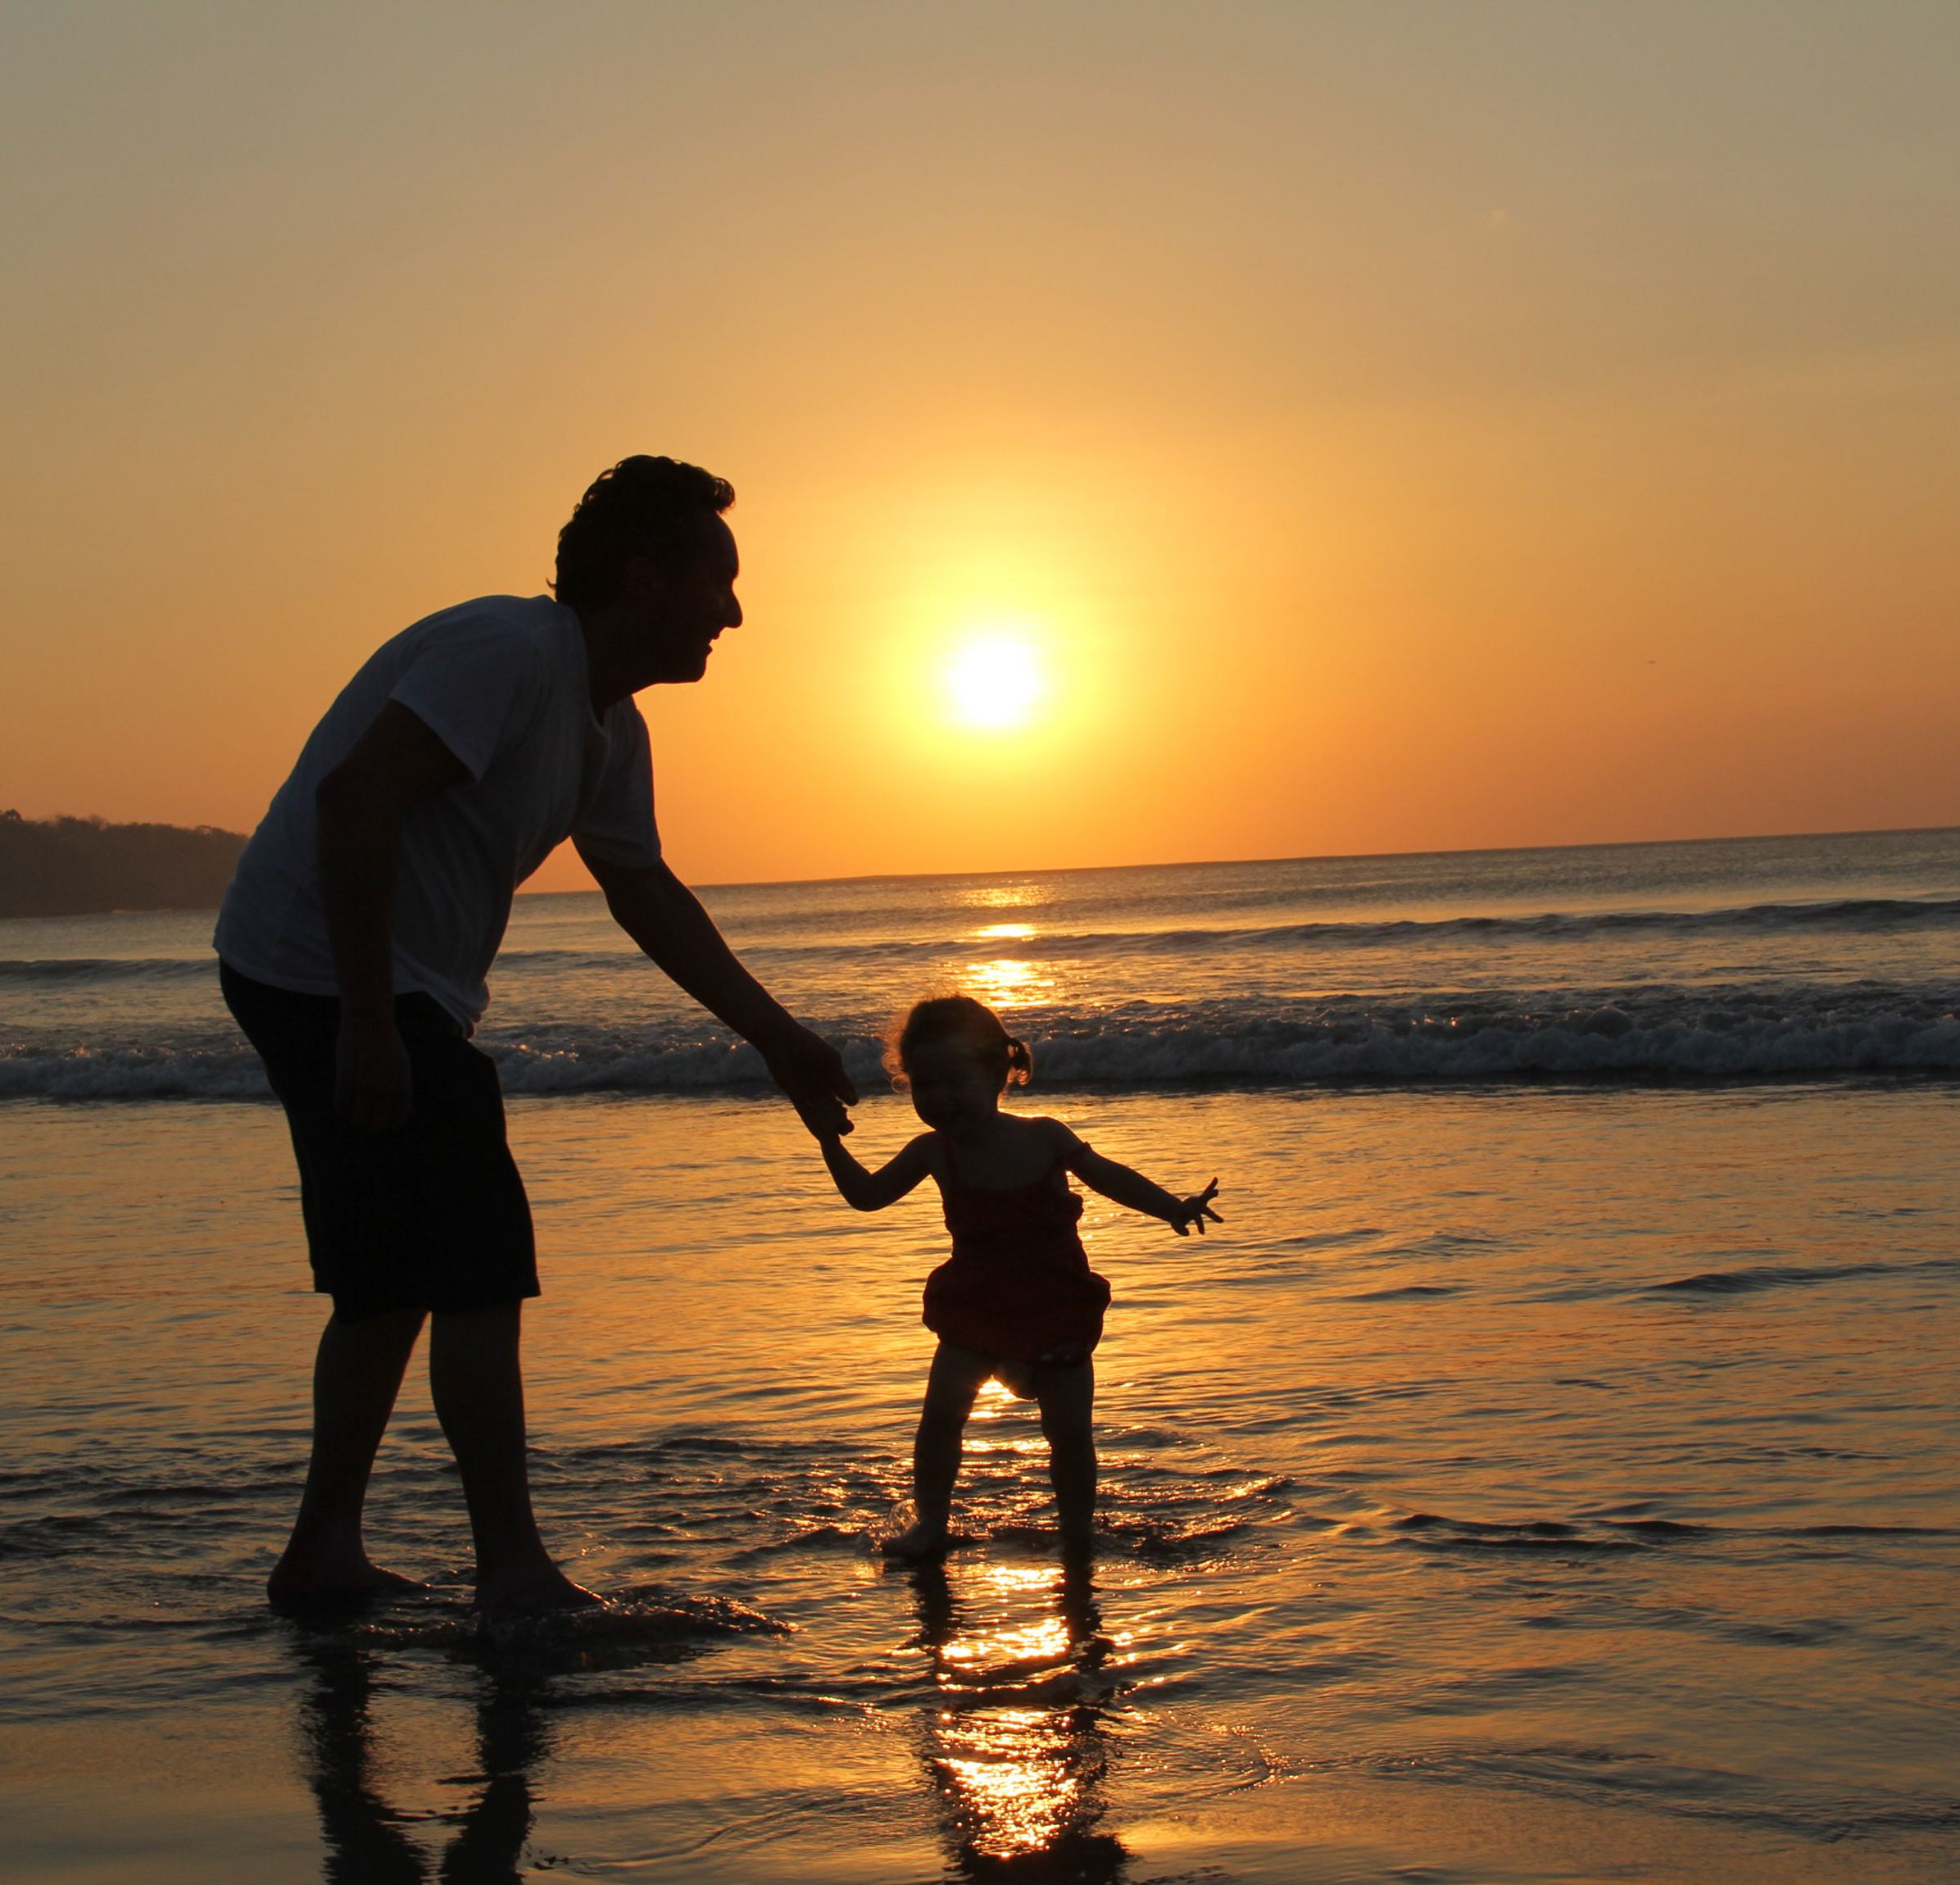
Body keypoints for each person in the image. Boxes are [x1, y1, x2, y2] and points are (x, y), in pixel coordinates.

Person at [216, 455, 855, 1619]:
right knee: (474, 1263)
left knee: (389, 1278)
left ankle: (323, 1555)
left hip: (376, 984)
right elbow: (355, 799)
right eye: (718, 582)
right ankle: (510, 1572)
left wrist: (778, 1038)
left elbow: (644, 889)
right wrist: (365, 1019)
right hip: (322, 967)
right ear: (641, 575)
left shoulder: (610, 728)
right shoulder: (508, 652)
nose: (736, 612)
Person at [818, 996, 1219, 1559]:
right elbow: (866, 1197)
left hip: (1055, 1307)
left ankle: (1077, 1532)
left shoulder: (1044, 1136)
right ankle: (931, 1523)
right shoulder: (933, 1151)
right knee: (941, 1420)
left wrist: (1172, 1208)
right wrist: (827, 1140)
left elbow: (1109, 1177)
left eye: (956, 1079)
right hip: (975, 1308)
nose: (941, 1098)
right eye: (925, 1084)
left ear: (999, 1073)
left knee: (1070, 1434)